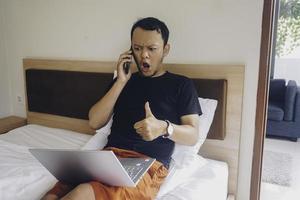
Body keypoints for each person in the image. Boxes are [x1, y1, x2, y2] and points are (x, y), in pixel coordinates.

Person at [42, 17, 201, 200]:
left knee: (82, 193)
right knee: (52, 196)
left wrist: (164, 128)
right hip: (107, 158)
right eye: (137, 48)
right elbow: (94, 121)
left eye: (152, 49)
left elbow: (192, 135)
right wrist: (120, 81)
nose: (144, 55)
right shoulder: (124, 81)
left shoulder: (181, 85)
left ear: (166, 49)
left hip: (147, 164)